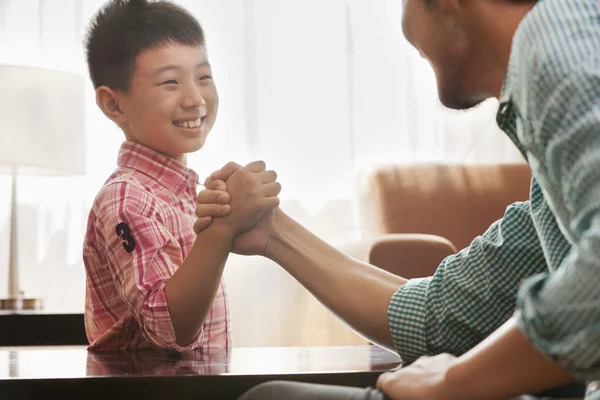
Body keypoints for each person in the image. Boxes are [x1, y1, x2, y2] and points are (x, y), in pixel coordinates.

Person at [195, 0, 600, 398]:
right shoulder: (557, 193)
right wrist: (273, 232)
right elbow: (437, 316)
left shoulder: (556, 34)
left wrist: (451, 384)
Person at [82, 0, 280, 352]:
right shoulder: (128, 198)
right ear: (114, 104)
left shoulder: (185, 195)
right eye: (170, 82)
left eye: (203, 77)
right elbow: (169, 327)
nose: (195, 99)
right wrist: (222, 229)